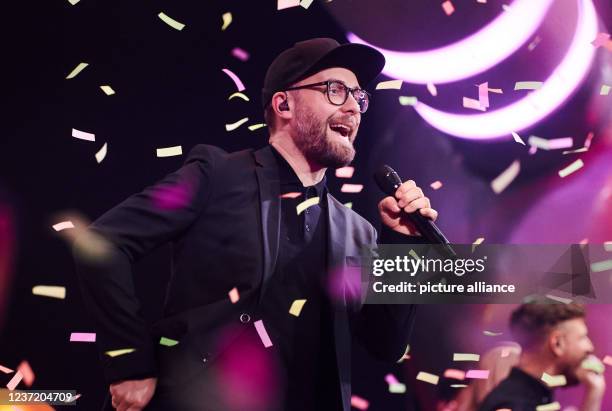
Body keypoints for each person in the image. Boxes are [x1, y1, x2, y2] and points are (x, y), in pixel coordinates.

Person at [73, 37, 439, 411]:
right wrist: (129, 363)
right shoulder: (217, 176)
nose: (353, 107)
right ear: (284, 104)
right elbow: (105, 243)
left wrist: (401, 244)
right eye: (335, 90)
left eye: (359, 97)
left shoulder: (357, 231)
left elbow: (386, 345)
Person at [478, 302, 606, 411]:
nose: (590, 347)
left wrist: (595, 391)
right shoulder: (515, 404)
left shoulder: (532, 396)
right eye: (582, 337)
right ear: (557, 343)